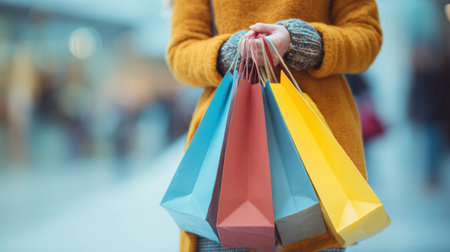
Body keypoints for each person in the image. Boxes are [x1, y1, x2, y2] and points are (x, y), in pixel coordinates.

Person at [166, 0, 382, 251]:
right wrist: (235, 51)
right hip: (225, 156)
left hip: (316, 158)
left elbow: (367, 36)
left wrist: (300, 41)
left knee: (310, 237)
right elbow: (181, 52)